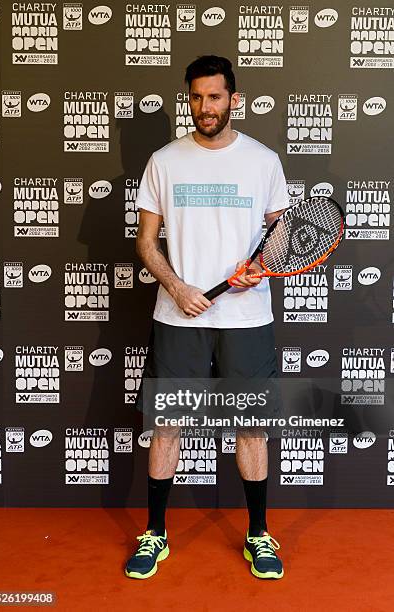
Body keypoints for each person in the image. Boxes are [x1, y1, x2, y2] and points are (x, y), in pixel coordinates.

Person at [125, 55, 289, 580]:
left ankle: (259, 535)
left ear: (233, 100)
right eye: (196, 97)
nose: (205, 107)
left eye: (215, 97)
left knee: (251, 428)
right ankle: (155, 534)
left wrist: (259, 269)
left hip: (247, 319)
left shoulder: (263, 161)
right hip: (179, 319)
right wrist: (176, 286)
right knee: (166, 425)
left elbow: (281, 234)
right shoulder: (164, 161)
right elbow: (146, 242)